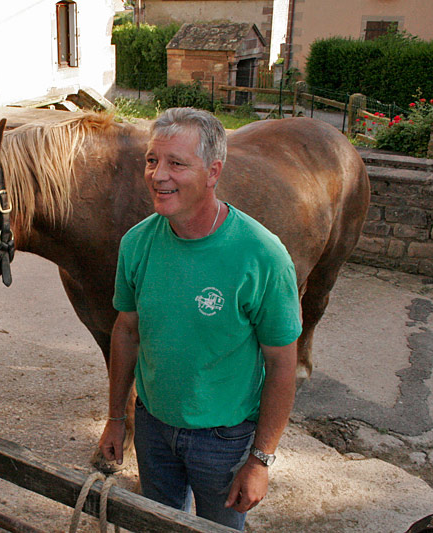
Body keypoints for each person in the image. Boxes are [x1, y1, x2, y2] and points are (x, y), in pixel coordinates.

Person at [98, 107, 301, 530]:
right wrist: (117, 419)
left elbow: (282, 364)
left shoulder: (262, 256)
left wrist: (260, 460)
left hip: (224, 439)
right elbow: (126, 330)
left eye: (176, 163)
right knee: (159, 525)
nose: (158, 175)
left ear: (213, 172)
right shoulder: (137, 244)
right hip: (153, 427)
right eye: (153, 160)